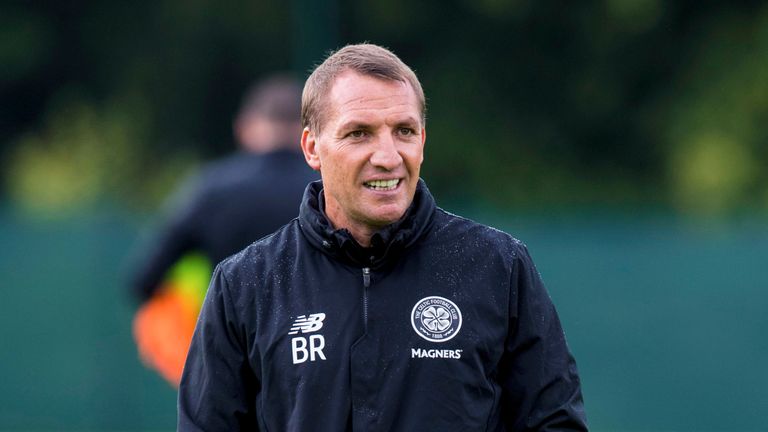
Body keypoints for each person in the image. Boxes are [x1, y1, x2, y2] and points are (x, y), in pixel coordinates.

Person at [178, 44, 587, 431]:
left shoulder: (499, 266)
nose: (388, 156)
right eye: (359, 133)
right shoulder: (244, 284)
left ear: (423, 142)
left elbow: (554, 421)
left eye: (404, 131)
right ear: (312, 147)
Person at [129, 74, 318, 386]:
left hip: (233, 372)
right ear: (310, 133)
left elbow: (143, 279)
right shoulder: (330, 190)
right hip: (317, 369)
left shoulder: (212, 190)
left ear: (244, 128)